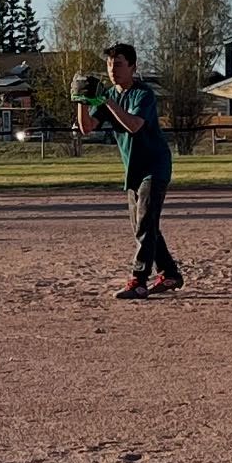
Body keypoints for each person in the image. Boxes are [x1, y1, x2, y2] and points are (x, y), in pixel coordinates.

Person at [76, 42, 183, 299]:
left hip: (155, 167)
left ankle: (139, 279)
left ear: (133, 67)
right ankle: (169, 274)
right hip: (133, 169)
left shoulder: (142, 94)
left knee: (144, 224)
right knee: (145, 226)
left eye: (120, 64)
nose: (114, 69)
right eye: (110, 64)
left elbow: (134, 125)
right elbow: (86, 127)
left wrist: (108, 100)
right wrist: (80, 100)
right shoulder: (107, 96)